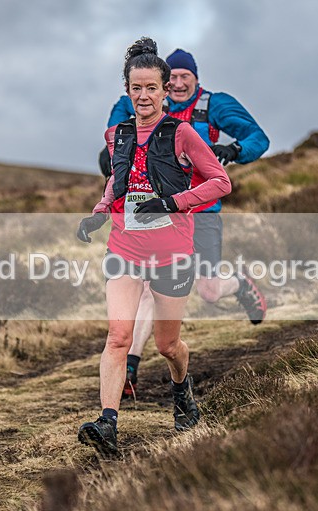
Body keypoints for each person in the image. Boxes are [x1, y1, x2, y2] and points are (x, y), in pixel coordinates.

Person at [76, 37, 231, 456]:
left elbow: (221, 182)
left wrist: (173, 203)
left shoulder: (182, 134)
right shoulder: (117, 134)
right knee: (118, 337)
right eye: (135, 88)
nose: (143, 96)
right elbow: (118, 181)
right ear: (126, 90)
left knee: (167, 346)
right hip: (124, 248)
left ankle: (182, 391)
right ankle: (107, 423)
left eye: (151, 88)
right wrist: (100, 211)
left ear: (166, 91)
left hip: (171, 254)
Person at [98, 48, 270, 400]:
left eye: (184, 77)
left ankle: (239, 284)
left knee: (209, 291)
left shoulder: (213, 105)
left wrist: (235, 151)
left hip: (201, 213)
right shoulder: (138, 99)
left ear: (195, 79)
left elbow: (258, 138)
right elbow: (114, 133)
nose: (177, 84)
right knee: (147, 287)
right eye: (172, 77)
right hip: (152, 217)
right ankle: (130, 366)